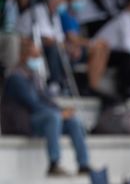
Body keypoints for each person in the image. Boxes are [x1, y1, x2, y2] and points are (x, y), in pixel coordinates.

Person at [0, 38, 90, 176]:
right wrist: (59, 114)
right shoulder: (15, 77)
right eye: (35, 56)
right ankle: (54, 164)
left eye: (39, 55)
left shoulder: (34, 77)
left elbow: (46, 99)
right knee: (53, 117)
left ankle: (83, 164)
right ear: (24, 56)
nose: (38, 59)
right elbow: (33, 104)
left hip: (41, 119)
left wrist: (63, 111)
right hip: (22, 122)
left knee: (73, 121)